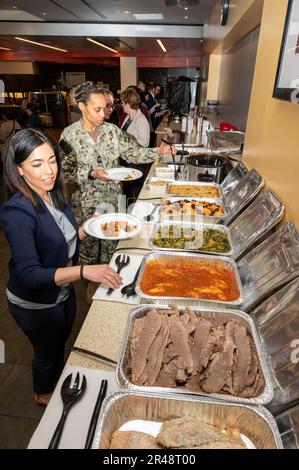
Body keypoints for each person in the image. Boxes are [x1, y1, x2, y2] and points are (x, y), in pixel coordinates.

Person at [0, 128, 122, 405]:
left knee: (60, 340)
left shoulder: (52, 193)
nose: (49, 171)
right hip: (35, 302)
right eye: (37, 164)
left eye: (51, 160)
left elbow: (59, 237)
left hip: (62, 293)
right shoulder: (17, 211)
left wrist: (87, 228)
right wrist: (83, 271)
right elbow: (29, 275)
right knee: (46, 352)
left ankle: (54, 377)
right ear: (19, 169)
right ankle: (42, 393)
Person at [59, 81, 172, 268]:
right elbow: (66, 172)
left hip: (112, 201)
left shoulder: (112, 131)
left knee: (111, 249)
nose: (104, 114)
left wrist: (158, 151)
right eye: (97, 109)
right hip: (86, 205)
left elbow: (133, 152)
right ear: (82, 107)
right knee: (89, 251)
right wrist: (91, 173)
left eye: (105, 108)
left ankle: (108, 282)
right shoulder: (68, 136)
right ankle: (91, 286)